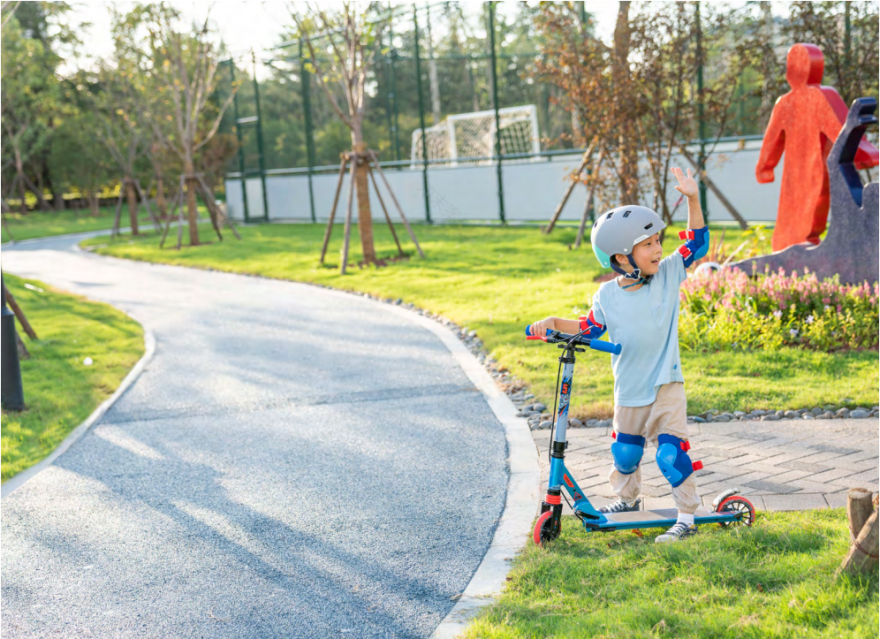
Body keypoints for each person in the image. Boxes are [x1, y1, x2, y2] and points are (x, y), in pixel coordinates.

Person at [528, 167, 709, 543]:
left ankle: (687, 518)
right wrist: (551, 322)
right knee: (625, 454)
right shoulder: (606, 296)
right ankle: (627, 501)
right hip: (628, 388)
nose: (658, 249)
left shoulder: (669, 273)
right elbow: (589, 327)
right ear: (622, 257)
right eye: (649, 244)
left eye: (658, 240)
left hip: (665, 385)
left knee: (670, 456)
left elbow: (697, 244)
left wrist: (692, 198)